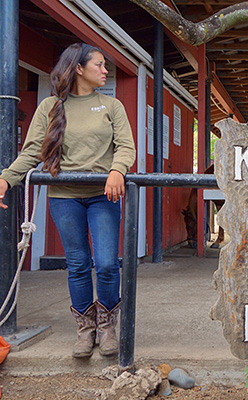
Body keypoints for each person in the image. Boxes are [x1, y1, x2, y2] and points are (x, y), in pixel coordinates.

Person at [0, 43, 136, 357]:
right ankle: (85, 329)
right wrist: (7, 178)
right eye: (99, 65)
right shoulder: (50, 106)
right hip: (64, 198)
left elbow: (125, 147)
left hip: (103, 195)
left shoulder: (111, 106)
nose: (105, 71)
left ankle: (107, 326)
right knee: (76, 264)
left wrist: (117, 170)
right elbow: (32, 152)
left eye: (105, 66)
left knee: (105, 263)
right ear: (78, 68)